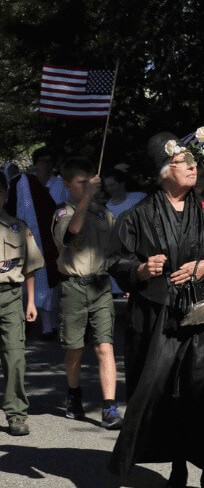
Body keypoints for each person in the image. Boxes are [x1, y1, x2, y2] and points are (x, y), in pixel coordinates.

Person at [106, 132, 204, 488]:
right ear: (164, 171)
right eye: (183, 162)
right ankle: (177, 467)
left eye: (194, 162)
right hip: (158, 315)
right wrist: (142, 269)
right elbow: (115, 260)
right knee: (165, 392)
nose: (194, 167)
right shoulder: (138, 215)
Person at [51, 157, 122, 429]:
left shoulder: (104, 214)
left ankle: (109, 407)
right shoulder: (64, 211)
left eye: (91, 182)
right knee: (75, 348)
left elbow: (116, 248)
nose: (89, 186)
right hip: (74, 288)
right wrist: (87, 199)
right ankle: (73, 393)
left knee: (105, 346)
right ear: (68, 185)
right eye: (82, 183)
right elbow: (71, 233)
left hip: (100, 286)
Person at [5, 147, 67, 338]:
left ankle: (49, 326)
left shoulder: (60, 184)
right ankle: (24, 320)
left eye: (49, 161)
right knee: (26, 282)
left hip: (52, 239)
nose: (45, 165)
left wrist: (61, 221)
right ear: (35, 163)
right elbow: (10, 208)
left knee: (49, 284)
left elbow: (66, 208)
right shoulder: (22, 182)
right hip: (26, 238)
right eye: (42, 161)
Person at [0, 172, 43, 436]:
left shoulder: (18, 227)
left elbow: (30, 267)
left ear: (5, 194)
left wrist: (31, 302)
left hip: (11, 297)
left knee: (14, 357)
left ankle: (16, 414)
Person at [103, 169, 146, 297]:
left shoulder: (139, 197)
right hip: (118, 251)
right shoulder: (107, 206)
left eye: (112, 185)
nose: (109, 189)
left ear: (121, 184)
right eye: (107, 186)